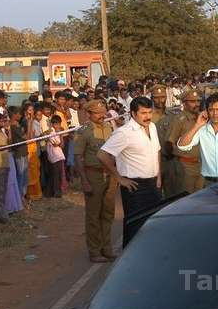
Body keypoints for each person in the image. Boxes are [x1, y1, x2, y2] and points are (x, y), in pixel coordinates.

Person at [98, 96, 163, 247]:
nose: (147, 116)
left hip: (154, 184)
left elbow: (157, 150)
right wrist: (119, 178)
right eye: (143, 113)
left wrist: (158, 176)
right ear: (133, 114)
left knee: (152, 224)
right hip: (135, 186)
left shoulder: (152, 127)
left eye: (149, 112)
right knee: (135, 227)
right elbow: (102, 155)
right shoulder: (124, 132)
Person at [74, 100, 118, 262]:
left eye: (103, 112)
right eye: (97, 113)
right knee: (93, 215)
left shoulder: (109, 127)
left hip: (109, 175)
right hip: (93, 175)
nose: (101, 115)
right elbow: (78, 157)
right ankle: (94, 251)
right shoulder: (83, 132)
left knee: (108, 213)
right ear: (89, 114)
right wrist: (84, 181)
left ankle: (107, 247)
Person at [167, 89, 205, 194]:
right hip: (185, 166)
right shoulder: (179, 119)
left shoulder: (202, 118)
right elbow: (170, 142)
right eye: (192, 101)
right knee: (185, 198)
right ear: (184, 103)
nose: (196, 104)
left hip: (201, 165)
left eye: (198, 101)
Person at [22, 104, 43, 201]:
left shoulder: (33, 121)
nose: (31, 112)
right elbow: (29, 137)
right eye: (29, 110)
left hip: (33, 146)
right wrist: (29, 122)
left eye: (32, 110)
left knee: (35, 169)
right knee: (30, 170)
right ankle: (29, 193)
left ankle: (36, 193)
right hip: (28, 147)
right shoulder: (24, 121)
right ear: (25, 111)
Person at [46, 115, 66, 198]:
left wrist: (60, 134)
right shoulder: (51, 133)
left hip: (58, 156)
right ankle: (54, 192)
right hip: (54, 156)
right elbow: (58, 144)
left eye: (58, 124)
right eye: (55, 124)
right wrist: (60, 134)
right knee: (55, 175)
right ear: (52, 124)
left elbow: (62, 145)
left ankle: (54, 191)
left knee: (58, 174)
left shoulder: (58, 133)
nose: (57, 126)